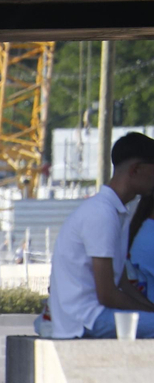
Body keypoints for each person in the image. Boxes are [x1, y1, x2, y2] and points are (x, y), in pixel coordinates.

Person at [47, 130, 154, 338]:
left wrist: (150, 309)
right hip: (84, 320)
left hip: (95, 315)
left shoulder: (115, 212)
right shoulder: (101, 214)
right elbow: (107, 295)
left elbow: (121, 282)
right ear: (136, 170)